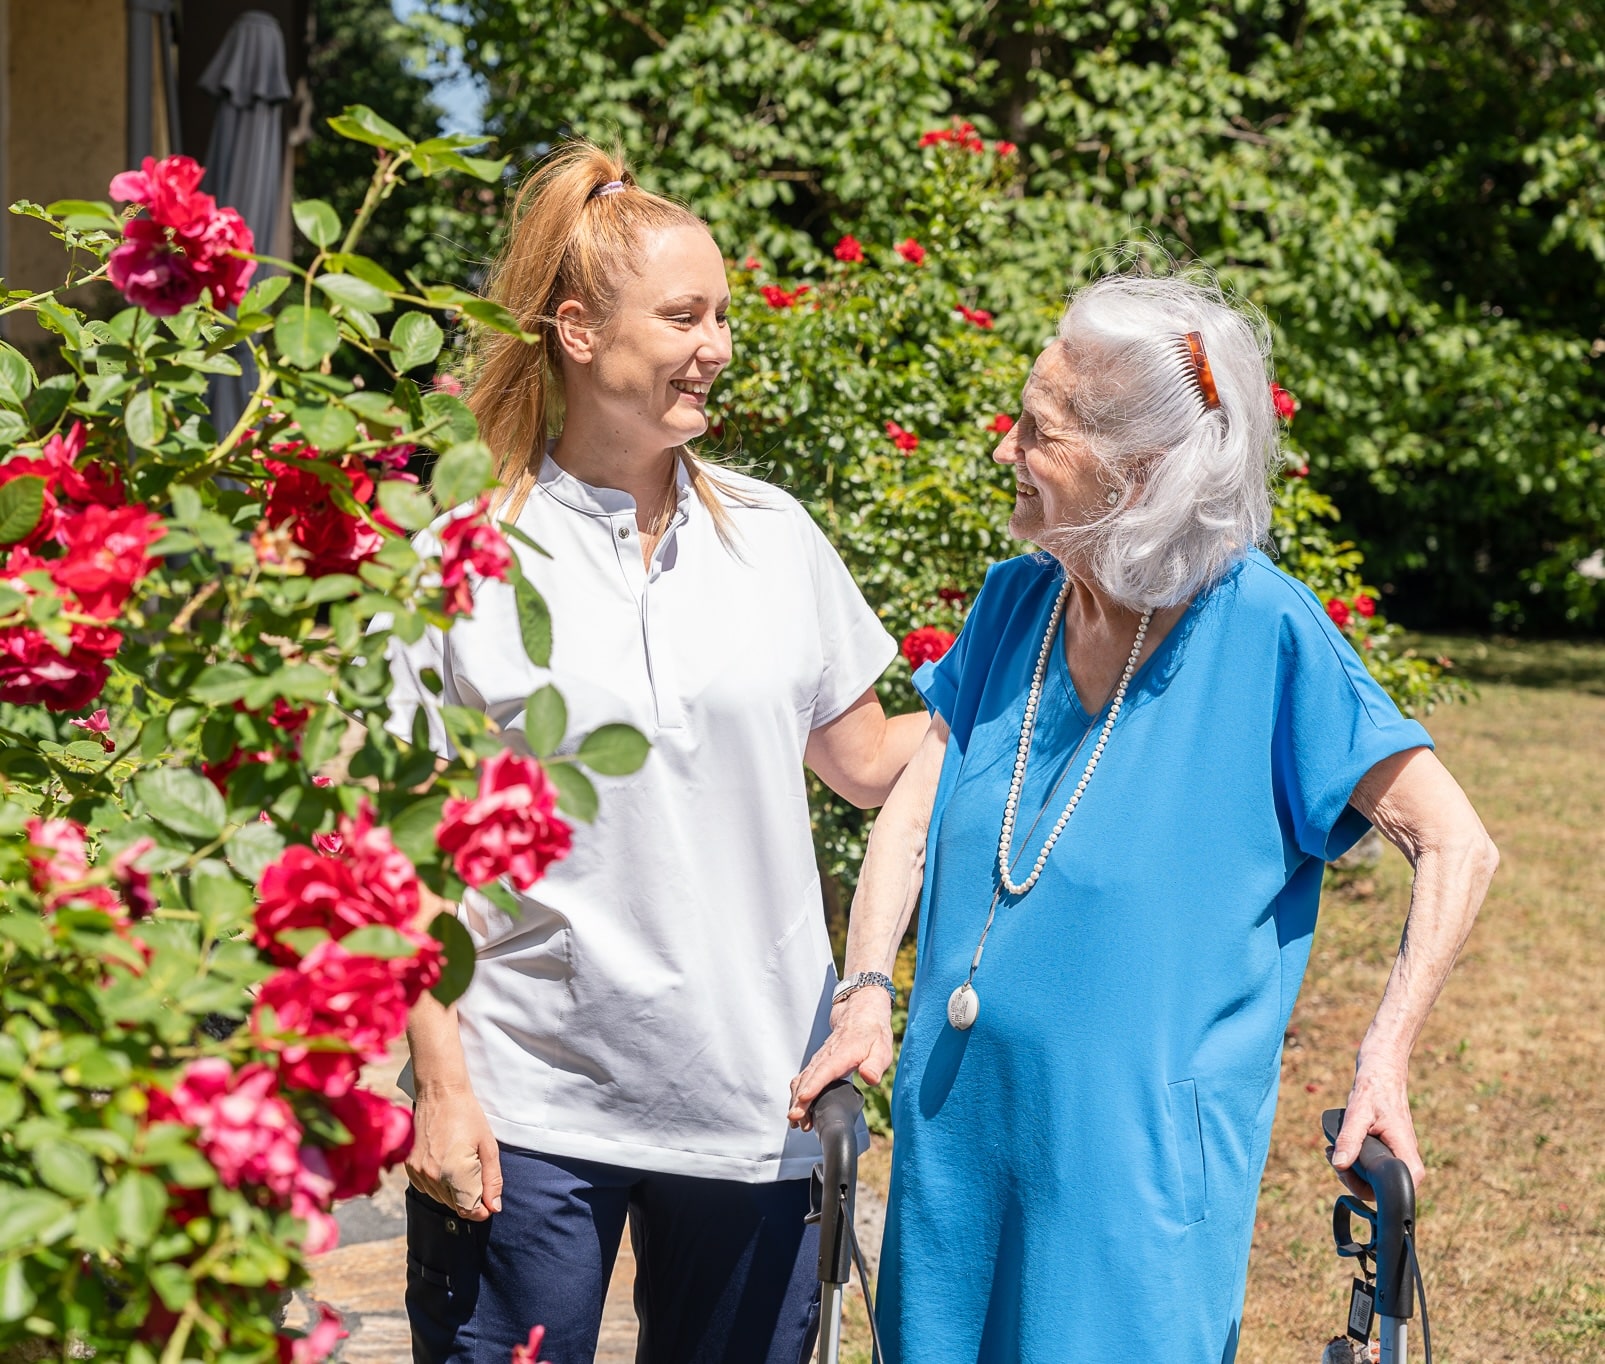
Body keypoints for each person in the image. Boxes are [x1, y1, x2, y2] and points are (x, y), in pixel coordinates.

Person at [788, 270, 1499, 1361]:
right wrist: (867, 990)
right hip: (954, 1142)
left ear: (1139, 473)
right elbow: (915, 810)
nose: (1003, 449)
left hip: (1130, 1182)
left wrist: (1383, 1059)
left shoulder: (1262, 630)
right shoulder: (1016, 602)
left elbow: (1457, 842)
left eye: (1038, 430)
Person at [386, 143, 927, 1364]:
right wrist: (442, 1083)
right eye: (685, 316)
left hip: (756, 1102)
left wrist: (1026, 682)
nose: (718, 345)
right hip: (527, 1103)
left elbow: (865, 759)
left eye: (724, 315)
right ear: (577, 331)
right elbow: (402, 855)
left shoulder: (775, 538)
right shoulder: (463, 556)